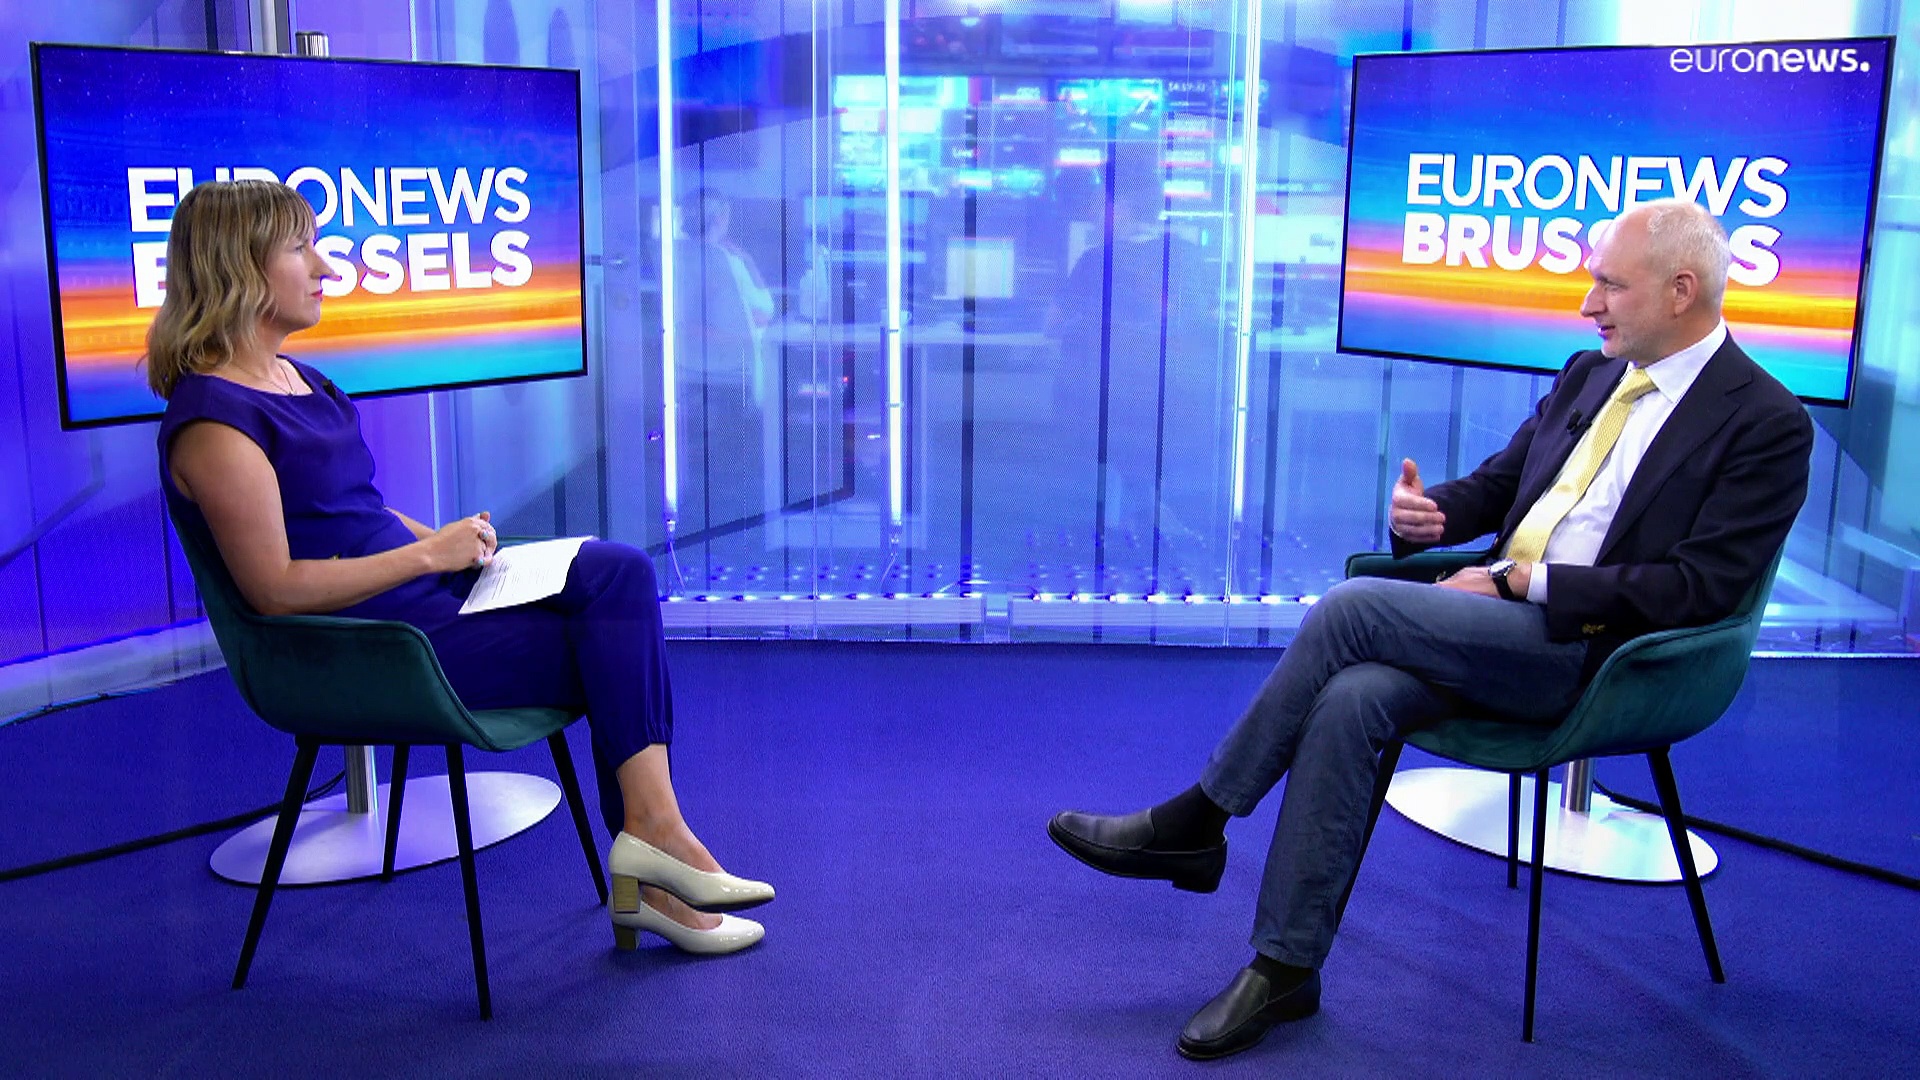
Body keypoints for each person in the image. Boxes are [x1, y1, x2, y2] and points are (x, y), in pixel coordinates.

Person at [1048, 198, 1814, 1060]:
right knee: (1354, 696)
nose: (1588, 304)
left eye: (1610, 285)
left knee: (1354, 607)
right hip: (1489, 623)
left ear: (1681, 290)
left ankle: (1199, 818)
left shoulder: (1765, 422)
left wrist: (1520, 581)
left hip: (1595, 656)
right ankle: (1285, 966)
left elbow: (1699, 589)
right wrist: (1433, 514)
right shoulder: (1591, 373)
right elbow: (1503, 485)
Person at [148, 180, 772, 956]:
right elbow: (272, 589)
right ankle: (656, 859)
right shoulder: (214, 421)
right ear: (239, 267)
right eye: (301, 248)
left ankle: (655, 839)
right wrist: (426, 554)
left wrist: (456, 542)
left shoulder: (300, 377)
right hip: (370, 644)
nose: (326, 266)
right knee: (609, 651)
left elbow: (356, 511)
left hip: (420, 596)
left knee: (618, 574)